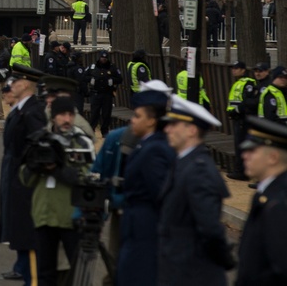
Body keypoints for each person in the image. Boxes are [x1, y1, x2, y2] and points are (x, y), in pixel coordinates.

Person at [157, 96, 235, 286]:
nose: (167, 129)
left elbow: (210, 229)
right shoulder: (184, 162)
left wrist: (223, 260)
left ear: (192, 130)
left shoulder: (199, 171)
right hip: (179, 268)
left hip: (193, 273)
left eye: (174, 124)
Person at [20, 96, 94, 285]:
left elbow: (87, 178)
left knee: (77, 273)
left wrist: (58, 168)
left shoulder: (81, 142)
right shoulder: (39, 139)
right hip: (44, 215)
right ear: (53, 117)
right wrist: (35, 165)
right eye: (62, 115)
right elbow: (25, 179)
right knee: (44, 273)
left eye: (70, 114)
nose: (67, 119)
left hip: (71, 216)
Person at [115, 87, 175, 286]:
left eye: (138, 115)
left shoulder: (154, 150)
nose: (133, 119)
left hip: (146, 229)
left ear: (151, 120)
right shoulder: (146, 145)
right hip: (139, 226)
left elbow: (161, 194)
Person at [0, 68, 47, 282]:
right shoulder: (21, 110)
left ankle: (26, 267)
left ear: (26, 84)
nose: (12, 85)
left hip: (24, 174)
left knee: (24, 222)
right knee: (16, 219)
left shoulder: (33, 111)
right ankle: (21, 264)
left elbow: (36, 144)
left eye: (15, 81)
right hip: (14, 171)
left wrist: (27, 170)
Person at [235, 116, 287, 286]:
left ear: (272, 157)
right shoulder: (266, 194)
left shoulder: (278, 203)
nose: (244, 156)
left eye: (252, 151)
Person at [226, 61, 259, 180]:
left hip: (242, 118)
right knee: (239, 144)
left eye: (236, 68)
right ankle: (240, 169)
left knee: (241, 144)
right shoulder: (239, 83)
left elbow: (247, 102)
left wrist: (237, 111)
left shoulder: (248, 83)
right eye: (233, 68)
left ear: (243, 70)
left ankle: (241, 171)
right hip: (237, 117)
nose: (234, 70)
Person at [84, 50, 122, 136]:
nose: (103, 59)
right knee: (94, 113)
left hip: (107, 94)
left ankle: (104, 131)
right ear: (99, 57)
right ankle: (91, 130)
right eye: (102, 57)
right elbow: (84, 76)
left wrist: (112, 80)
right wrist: (91, 79)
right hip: (95, 93)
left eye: (105, 58)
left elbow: (120, 79)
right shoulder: (93, 67)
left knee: (106, 113)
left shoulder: (112, 67)